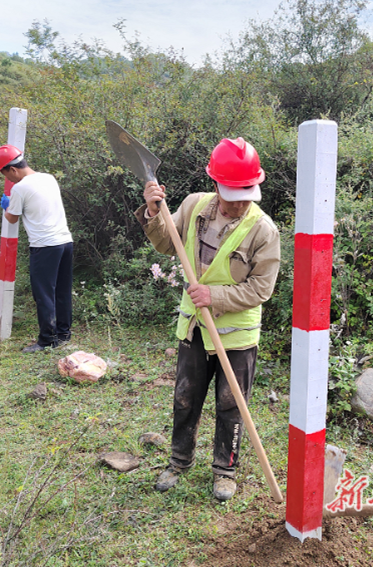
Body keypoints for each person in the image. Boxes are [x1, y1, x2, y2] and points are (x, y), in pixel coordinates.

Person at [138, 137, 280, 501]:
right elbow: (166, 243)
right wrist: (155, 211)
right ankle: (179, 460)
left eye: (247, 193)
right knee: (185, 397)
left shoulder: (264, 230)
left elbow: (261, 289)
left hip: (236, 336)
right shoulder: (193, 207)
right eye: (233, 195)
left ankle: (225, 471)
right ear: (216, 186)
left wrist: (214, 295)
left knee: (232, 404)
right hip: (195, 328)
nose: (240, 203)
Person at [0, 145, 73, 353]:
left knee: (44, 293)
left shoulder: (19, 188)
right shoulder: (49, 178)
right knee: (62, 290)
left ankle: (47, 340)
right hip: (65, 241)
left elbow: (12, 219)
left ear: (13, 169)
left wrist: (6, 205)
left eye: (7, 175)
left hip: (44, 246)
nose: (9, 180)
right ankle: (63, 334)